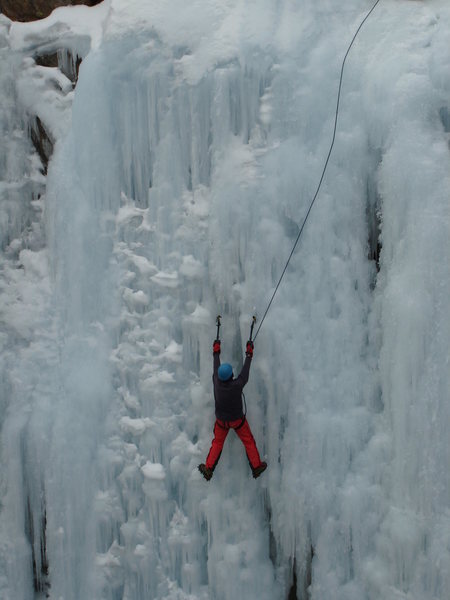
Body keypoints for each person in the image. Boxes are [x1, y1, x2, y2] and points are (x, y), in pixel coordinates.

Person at [198, 337, 267, 481]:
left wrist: (216, 350)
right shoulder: (236, 385)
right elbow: (245, 374)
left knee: (217, 443)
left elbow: (216, 364)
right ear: (231, 376)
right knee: (248, 441)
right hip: (237, 421)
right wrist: (249, 354)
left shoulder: (216, 381)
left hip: (221, 422)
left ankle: (208, 468)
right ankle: (256, 466)